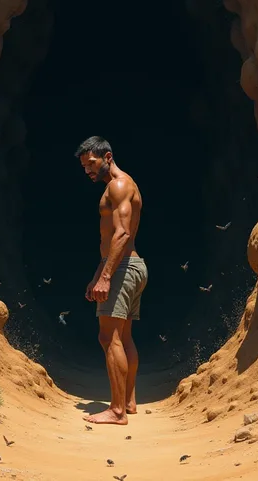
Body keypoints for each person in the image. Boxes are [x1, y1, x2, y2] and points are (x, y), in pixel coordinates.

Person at [74, 136, 148, 425]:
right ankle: (128, 402)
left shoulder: (118, 186)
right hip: (130, 266)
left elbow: (122, 234)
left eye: (91, 164)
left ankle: (116, 411)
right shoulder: (120, 186)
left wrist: (106, 277)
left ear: (107, 157)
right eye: (83, 166)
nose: (87, 171)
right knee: (124, 336)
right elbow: (111, 242)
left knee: (108, 337)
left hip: (123, 269)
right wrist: (97, 276)